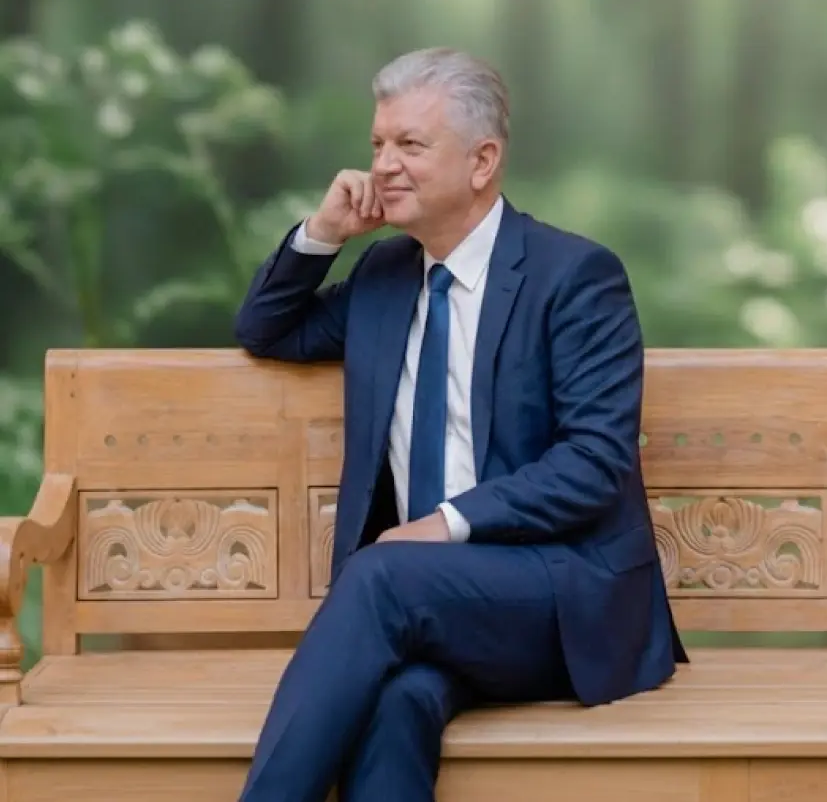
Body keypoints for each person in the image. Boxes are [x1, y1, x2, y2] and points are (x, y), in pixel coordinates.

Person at [233, 46, 687, 802]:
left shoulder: (574, 277)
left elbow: (594, 463)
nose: (384, 165)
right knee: (397, 699)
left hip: (558, 596)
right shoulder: (384, 277)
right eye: (378, 144)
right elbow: (265, 328)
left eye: (411, 144)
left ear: (483, 162)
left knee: (378, 574)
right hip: (429, 607)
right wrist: (323, 232)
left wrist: (442, 526)